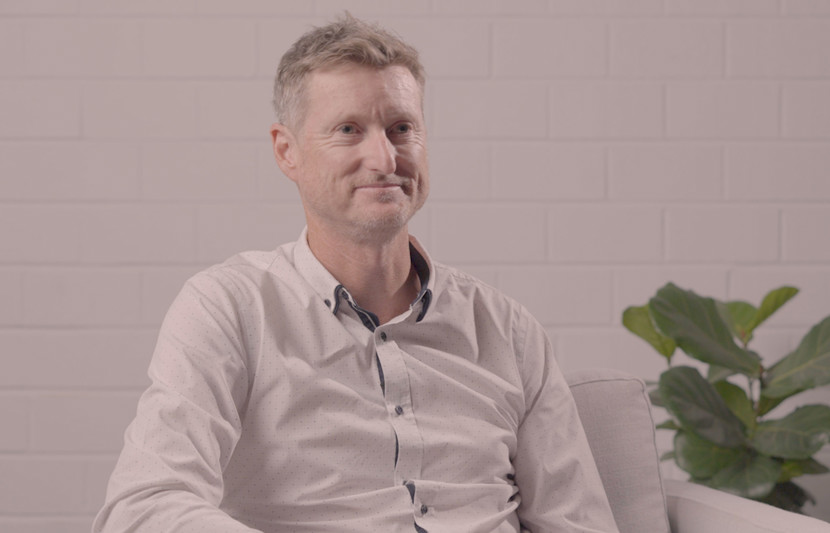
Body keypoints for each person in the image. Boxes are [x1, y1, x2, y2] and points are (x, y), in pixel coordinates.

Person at [93, 14, 620, 533]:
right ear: (287, 150)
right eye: (349, 130)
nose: (384, 156)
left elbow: (577, 522)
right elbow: (143, 506)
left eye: (401, 128)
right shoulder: (230, 308)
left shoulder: (508, 330)